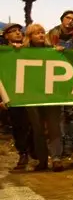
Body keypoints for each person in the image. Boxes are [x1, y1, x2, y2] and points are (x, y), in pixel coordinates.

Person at [22, 24, 66, 171]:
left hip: (51, 95)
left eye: (42, 32)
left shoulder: (52, 50)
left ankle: (56, 158)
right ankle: (42, 160)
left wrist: (60, 53)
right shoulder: (22, 52)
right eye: (36, 33)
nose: (41, 35)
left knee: (54, 127)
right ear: (30, 36)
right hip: (32, 95)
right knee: (38, 129)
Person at [2, 23, 41, 170]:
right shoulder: (3, 53)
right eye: (13, 31)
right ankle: (23, 153)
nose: (18, 33)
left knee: (33, 125)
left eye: (19, 31)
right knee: (19, 126)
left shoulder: (29, 50)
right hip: (12, 95)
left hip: (30, 94)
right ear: (6, 36)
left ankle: (34, 152)